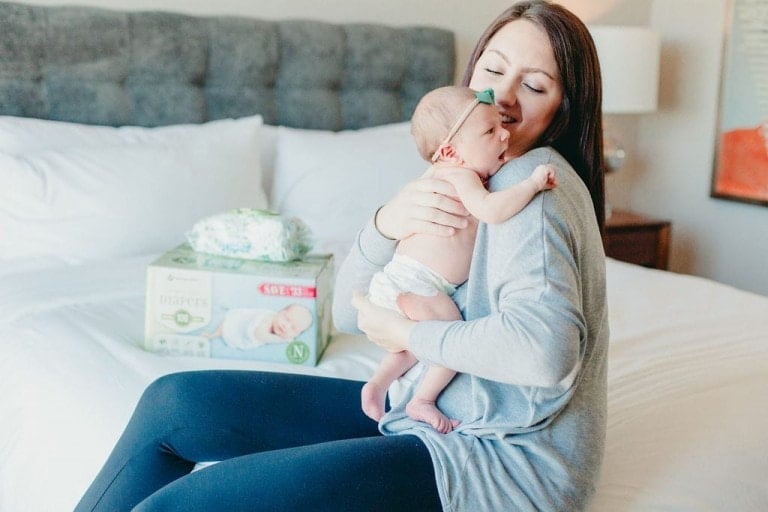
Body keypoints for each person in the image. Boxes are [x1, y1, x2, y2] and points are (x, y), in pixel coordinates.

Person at [74, 1, 607, 510]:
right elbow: (351, 313)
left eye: (535, 85)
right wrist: (385, 224)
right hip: (434, 412)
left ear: (565, 108)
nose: (505, 96)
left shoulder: (530, 188)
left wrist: (409, 337)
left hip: (496, 462)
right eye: (493, 69)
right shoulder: (463, 174)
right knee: (174, 404)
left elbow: (546, 352)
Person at [362, 85, 557, 433]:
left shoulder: (452, 170)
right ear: (451, 151)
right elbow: (491, 211)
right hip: (417, 281)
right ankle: (422, 399)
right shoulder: (462, 176)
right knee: (451, 336)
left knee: (412, 345)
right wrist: (531, 185)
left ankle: (377, 384)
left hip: (404, 281)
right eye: (490, 131)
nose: (504, 135)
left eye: (501, 126)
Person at [205, 303, 313, 349]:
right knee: (227, 323)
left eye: (293, 328)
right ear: (280, 312)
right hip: (243, 324)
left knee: (225, 332)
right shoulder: (268, 318)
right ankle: (214, 332)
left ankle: (214, 334)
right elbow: (260, 335)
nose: (286, 325)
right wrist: (283, 339)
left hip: (242, 334)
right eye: (287, 318)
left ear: (296, 335)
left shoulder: (279, 329)